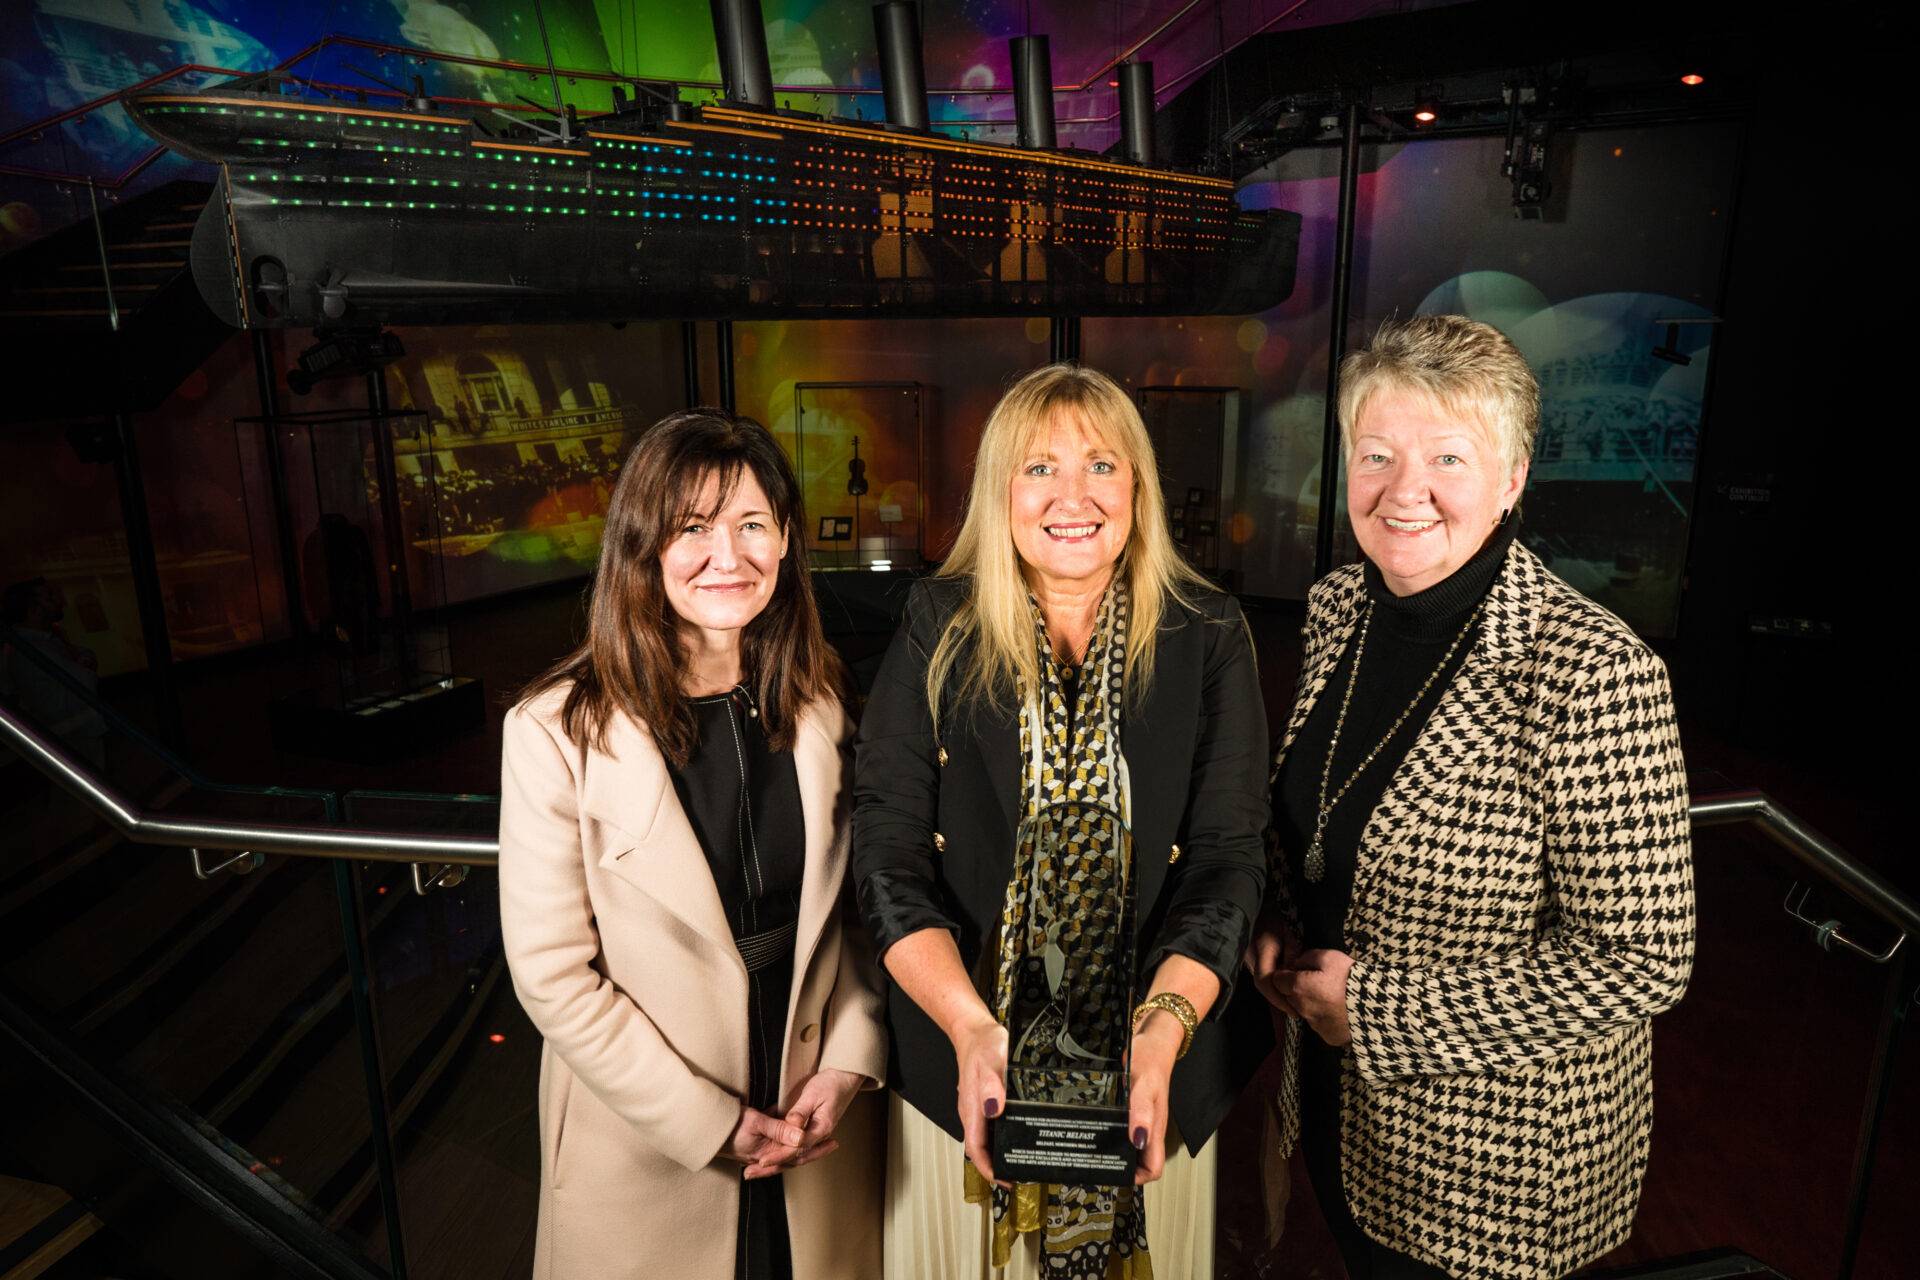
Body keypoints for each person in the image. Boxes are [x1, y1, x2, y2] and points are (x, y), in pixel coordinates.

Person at [1249, 315, 1695, 1280]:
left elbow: (1643, 961)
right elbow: (1334, 820)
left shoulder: (1594, 671)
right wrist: (1282, 915)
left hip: (1488, 1171)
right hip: (1344, 1107)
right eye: (1376, 454)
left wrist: (1377, 1013)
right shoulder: (1339, 609)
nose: (1404, 490)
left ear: (1512, 480)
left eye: (1448, 455)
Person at [853, 363, 1272, 1279]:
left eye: (1102, 466)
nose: (1072, 496)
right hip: (962, 1083)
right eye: (1039, 468)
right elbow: (886, 857)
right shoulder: (937, 623)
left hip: (1152, 1086)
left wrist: (1161, 1033)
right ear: (1000, 490)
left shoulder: (1209, 633)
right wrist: (969, 1029)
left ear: (1138, 488)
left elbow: (1228, 861)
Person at [499, 409, 886, 1280]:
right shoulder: (552, 729)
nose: (729, 555)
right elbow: (553, 974)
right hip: (648, 1145)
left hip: (812, 1134)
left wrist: (852, 1067)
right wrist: (708, 1120)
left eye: (753, 524)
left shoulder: (824, 699)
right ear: (643, 547)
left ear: (786, 539)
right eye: (694, 529)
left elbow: (863, 919)